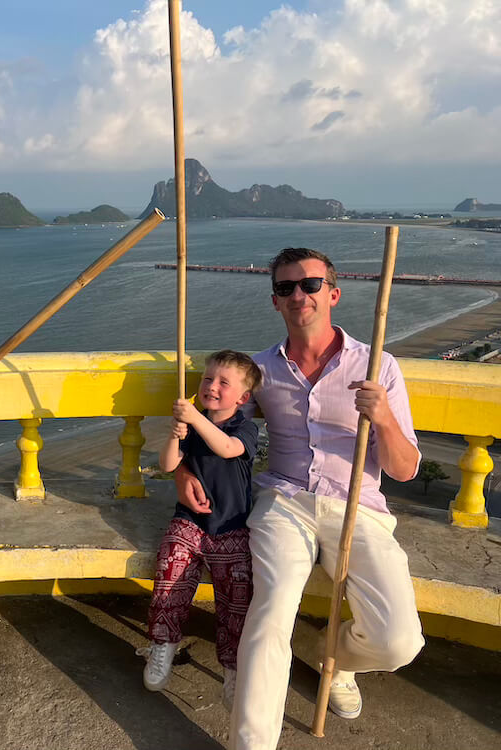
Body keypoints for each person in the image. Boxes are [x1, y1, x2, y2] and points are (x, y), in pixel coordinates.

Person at [175, 249, 424, 750]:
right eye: (286, 288)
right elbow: (215, 422)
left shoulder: (378, 366)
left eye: (309, 285)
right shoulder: (262, 370)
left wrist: (384, 418)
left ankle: (336, 660)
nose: (298, 295)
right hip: (284, 503)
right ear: (275, 301)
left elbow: (403, 468)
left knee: (399, 641)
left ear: (332, 293)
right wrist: (182, 470)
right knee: (270, 616)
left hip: (358, 506)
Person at [144, 350, 261, 708]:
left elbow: (226, 449)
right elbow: (167, 465)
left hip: (230, 526)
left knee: (237, 595)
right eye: (208, 379)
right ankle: (163, 643)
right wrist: (175, 434)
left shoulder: (244, 427)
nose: (212, 386)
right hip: (190, 521)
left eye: (224, 383)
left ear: (242, 397)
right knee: (170, 570)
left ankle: (232, 667)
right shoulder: (193, 426)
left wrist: (194, 417)